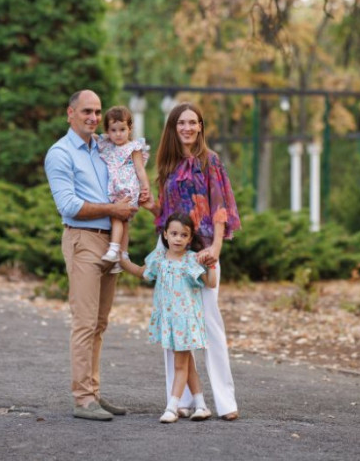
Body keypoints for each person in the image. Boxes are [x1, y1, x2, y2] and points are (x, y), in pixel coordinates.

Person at [141, 101, 242, 421]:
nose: (187, 128)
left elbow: (220, 208)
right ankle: (180, 399)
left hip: (202, 251)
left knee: (210, 323)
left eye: (192, 122)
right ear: (173, 127)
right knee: (173, 325)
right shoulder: (167, 165)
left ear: (200, 127)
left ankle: (225, 401)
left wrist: (216, 248)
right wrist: (150, 207)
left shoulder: (210, 161)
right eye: (181, 123)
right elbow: (166, 215)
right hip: (171, 254)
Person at [44, 90, 136, 421]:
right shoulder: (60, 153)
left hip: (112, 240)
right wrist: (113, 209)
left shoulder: (105, 147)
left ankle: (93, 392)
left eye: (97, 111)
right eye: (86, 111)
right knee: (84, 322)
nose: (94, 117)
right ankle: (82, 399)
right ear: (70, 113)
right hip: (83, 240)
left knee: (100, 322)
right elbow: (68, 205)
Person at [118, 212, 216, 423]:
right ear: (165, 234)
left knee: (180, 365)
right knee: (186, 362)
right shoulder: (159, 258)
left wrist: (212, 264)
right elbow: (142, 272)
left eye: (184, 235)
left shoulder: (192, 259)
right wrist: (122, 260)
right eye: (174, 234)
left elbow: (211, 283)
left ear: (190, 238)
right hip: (169, 320)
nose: (178, 238)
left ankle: (172, 407)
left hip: (186, 321)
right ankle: (201, 405)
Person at [98, 105, 151, 273]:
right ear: (107, 131)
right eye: (113, 130)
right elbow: (94, 137)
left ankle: (114, 249)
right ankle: (123, 256)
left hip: (128, 189)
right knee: (124, 222)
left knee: (116, 216)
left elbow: (140, 169)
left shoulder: (133, 147)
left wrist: (146, 187)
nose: (118, 134)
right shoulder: (108, 146)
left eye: (122, 129)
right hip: (115, 188)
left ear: (130, 129)